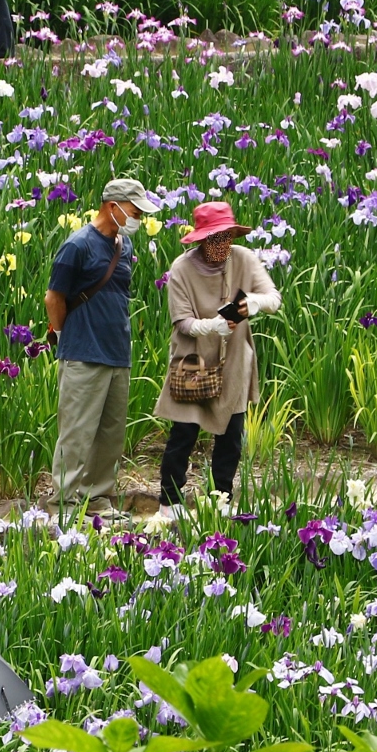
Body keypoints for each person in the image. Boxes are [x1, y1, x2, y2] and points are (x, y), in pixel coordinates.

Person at [153, 202, 282, 519]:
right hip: (193, 359)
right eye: (215, 239)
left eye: (227, 238)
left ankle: (220, 499)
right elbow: (182, 321)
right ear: (200, 240)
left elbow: (273, 299)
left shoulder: (244, 259)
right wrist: (212, 325)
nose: (222, 246)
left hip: (234, 358)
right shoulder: (182, 269)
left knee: (231, 434)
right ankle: (170, 504)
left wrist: (252, 302)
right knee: (183, 433)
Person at [44, 177, 158, 520]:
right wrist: (66, 335)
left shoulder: (124, 247)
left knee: (110, 433)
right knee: (77, 432)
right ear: (114, 206)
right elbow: (54, 297)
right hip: (82, 351)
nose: (138, 217)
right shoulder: (78, 245)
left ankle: (97, 499)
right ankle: (63, 505)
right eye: (135, 211)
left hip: (116, 351)